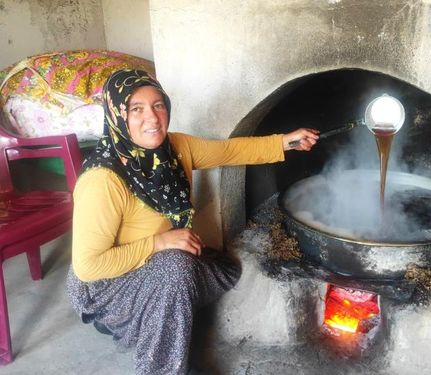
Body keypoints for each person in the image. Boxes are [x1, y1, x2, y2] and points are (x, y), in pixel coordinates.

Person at [66, 69, 318, 374]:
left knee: (221, 269)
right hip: (107, 288)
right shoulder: (102, 180)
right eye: (136, 109)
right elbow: (89, 267)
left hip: (157, 264)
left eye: (158, 105)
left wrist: (286, 142)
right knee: (177, 268)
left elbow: (229, 150)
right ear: (117, 115)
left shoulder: (174, 148)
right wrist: (159, 242)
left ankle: (155, 312)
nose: (152, 117)